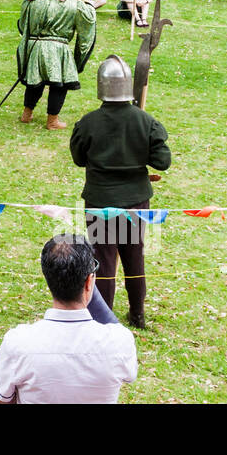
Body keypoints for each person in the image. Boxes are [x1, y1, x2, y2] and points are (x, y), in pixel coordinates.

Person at [70, 55, 171, 328]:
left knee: (102, 259)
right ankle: (137, 314)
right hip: (135, 201)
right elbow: (163, 160)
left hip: (100, 201)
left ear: (101, 86)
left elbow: (79, 158)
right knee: (133, 255)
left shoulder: (88, 122)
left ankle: (104, 321)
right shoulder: (145, 121)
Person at [0, 234, 137, 404]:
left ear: (47, 278)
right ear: (89, 282)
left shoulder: (17, 342)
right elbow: (129, 376)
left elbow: (0, 398)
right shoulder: (119, 341)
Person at [16, 0, 97, 129]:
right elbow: (89, 17)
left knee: (35, 82)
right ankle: (52, 121)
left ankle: (26, 114)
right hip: (58, 48)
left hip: (36, 46)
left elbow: (22, 23)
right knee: (59, 85)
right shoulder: (76, 5)